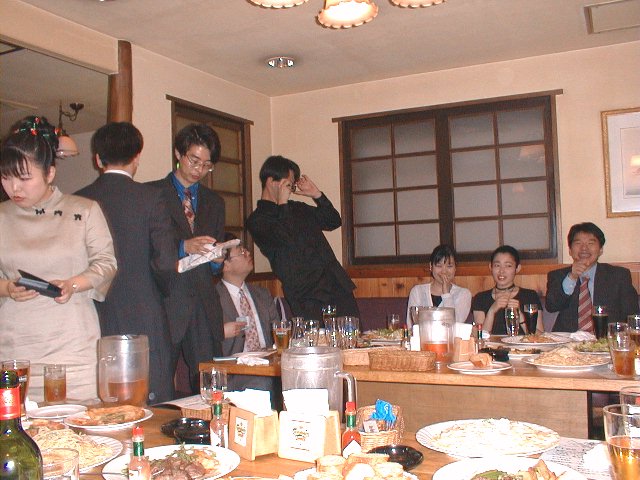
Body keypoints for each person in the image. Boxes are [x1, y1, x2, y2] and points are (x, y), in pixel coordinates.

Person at [0, 116, 117, 401]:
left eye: (24, 178)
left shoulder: (84, 210)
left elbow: (106, 264)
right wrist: (7, 288)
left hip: (72, 347)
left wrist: (72, 284)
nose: (14, 188)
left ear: (50, 173)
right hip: (15, 347)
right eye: (6, 177)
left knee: (80, 424)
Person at [76, 122, 177, 403]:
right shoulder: (151, 198)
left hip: (93, 310)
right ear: (137, 157)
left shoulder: (78, 200)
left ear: (98, 159)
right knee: (150, 399)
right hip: (144, 308)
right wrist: (162, 292)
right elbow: (166, 261)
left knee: (101, 398)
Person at [148, 123, 225, 393]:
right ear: (178, 154)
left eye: (207, 165)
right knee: (157, 383)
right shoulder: (151, 195)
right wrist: (183, 246)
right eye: (194, 160)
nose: (199, 169)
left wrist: (217, 259)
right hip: (164, 300)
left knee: (211, 384)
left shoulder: (215, 202)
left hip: (203, 301)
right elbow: (145, 249)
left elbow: (215, 261)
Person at [246, 155, 359, 320]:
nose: (291, 189)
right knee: (317, 337)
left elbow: (334, 221)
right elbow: (286, 237)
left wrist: (317, 195)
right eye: (288, 184)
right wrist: (282, 204)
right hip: (306, 295)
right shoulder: (258, 220)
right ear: (271, 181)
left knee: (353, 334)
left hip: (336, 284)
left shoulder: (297, 208)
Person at [215, 235, 280, 395]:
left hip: (268, 364)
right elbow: (202, 339)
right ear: (225, 265)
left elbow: (278, 330)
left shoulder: (262, 294)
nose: (249, 253)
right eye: (242, 252)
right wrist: (220, 331)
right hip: (235, 371)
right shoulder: (213, 299)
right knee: (262, 383)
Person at [546, 222, 638, 332]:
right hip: (568, 340)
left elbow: (632, 314)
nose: (584, 248)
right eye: (578, 243)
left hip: (606, 339)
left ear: (601, 250)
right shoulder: (557, 275)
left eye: (590, 243)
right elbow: (551, 306)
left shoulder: (618, 276)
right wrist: (571, 278)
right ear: (570, 250)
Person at [472, 245, 543, 335]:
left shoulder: (530, 296)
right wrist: (491, 311)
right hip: (492, 344)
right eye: (497, 265)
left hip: (522, 344)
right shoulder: (480, 298)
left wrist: (520, 316)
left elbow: (539, 336)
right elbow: (480, 337)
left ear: (517, 268)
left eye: (508, 266)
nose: (501, 271)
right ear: (490, 267)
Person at [406, 244, 472, 325]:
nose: (444, 271)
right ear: (431, 266)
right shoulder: (417, 291)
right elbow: (411, 324)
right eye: (439, 266)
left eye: (449, 266)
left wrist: (446, 294)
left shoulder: (464, 294)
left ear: (455, 268)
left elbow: (456, 324)